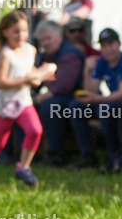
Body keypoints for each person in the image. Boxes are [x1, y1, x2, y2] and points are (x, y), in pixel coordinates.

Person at [0, 11, 53, 188]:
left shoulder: (31, 50)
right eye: (16, 32)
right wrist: (27, 79)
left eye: (24, 31)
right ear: (5, 32)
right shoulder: (6, 54)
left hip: (23, 101)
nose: (21, 36)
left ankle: (24, 167)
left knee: (35, 130)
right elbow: (0, 82)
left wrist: (41, 74)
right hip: (5, 105)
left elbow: (29, 73)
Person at [70, 28, 122, 171]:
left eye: (110, 44)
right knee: (76, 107)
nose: (107, 49)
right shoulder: (102, 62)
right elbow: (91, 90)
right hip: (113, 101)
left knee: (105, 109)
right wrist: (87, 70)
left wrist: (95, 99)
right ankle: (87, 154)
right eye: (103, 46)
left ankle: (115, 155)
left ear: (118, 44)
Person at [31, 20, 84, 166]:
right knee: (22, 106)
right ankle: (24, 152)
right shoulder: (44, 56)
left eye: (48, 38)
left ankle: (55, 154)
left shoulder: (70, 54)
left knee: (51, 106)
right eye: (42, 40)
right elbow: (34, 78)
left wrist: (37, 99)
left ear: (59, 36)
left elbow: (63, 87)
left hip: (75, 97)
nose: (45, 43)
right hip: (54, 96)